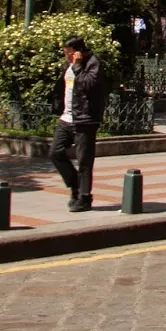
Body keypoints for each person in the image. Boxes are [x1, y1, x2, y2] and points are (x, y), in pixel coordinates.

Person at [50, 36, 108, 212]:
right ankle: (75, 184)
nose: (66, 57)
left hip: (85, 119)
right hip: (67, 118)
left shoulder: (93, 63)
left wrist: (77, 66)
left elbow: (90, 84)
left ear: (78, 52)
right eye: (65, 54)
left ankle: (84, 197)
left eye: (69, 54)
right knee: (55, 152)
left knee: (84, 160)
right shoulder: (68, 65)